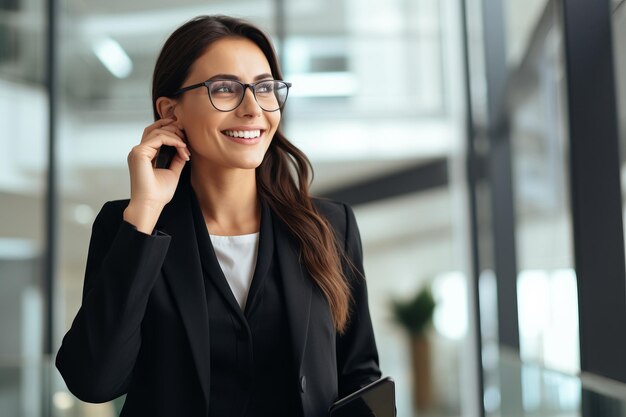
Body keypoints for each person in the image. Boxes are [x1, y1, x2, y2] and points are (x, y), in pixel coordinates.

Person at [56, 14, 381, 417]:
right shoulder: (129, 226)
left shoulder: (331, 227)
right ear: (170, 111)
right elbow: (94, 380)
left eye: (264, 88)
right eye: (224, 89)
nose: (252, 109)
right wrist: (146, 214)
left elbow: (360, 373)